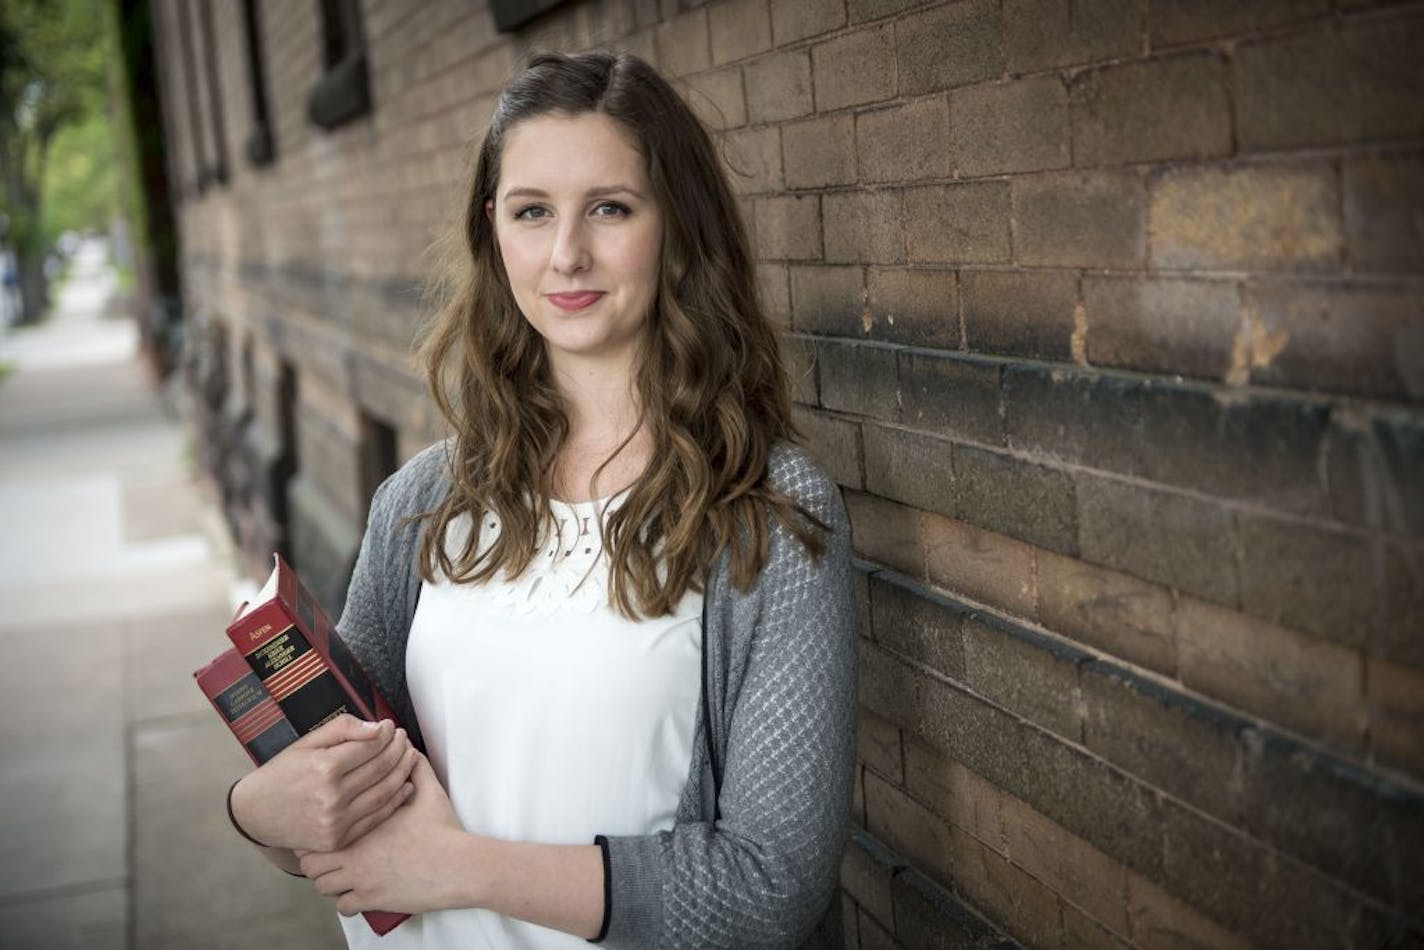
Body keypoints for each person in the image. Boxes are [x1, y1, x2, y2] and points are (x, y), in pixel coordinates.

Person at [226, 50, 856, 948]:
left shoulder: (767, 511)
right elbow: (352, 811)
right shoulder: (423, 501)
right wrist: (258, 811)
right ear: (494, 231)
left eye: (610, 208)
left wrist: (460, 865)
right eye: (532, 212)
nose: (567, 254)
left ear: (676, 223)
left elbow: (769, 885)